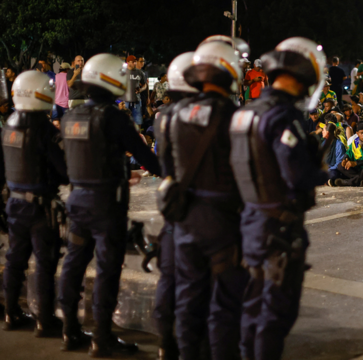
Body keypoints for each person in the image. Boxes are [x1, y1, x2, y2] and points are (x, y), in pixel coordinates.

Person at [229, 37, 328, 360]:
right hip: (278, 228)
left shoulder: (246, 112)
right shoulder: (283, 116)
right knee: (275, 314)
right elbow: (297, 175)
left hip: (249, 222)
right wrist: (319, 168)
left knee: (252, 306)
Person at [58, 53, 161, 356]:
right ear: (111, 80)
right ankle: (101, 337)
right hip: (106, 206)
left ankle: (69, 331)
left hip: (77, 202)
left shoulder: (70, 116)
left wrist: (119, 173)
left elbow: (82, 160)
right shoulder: (114, 117)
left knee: (74, 264)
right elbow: (145, 157)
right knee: (106, 269)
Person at [157, 41, 248, 360]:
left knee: (188, 300)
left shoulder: (173, 115)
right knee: (224, 307)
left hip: (184, 223)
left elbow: (167, 169)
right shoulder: (236, 117)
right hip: (222, 222)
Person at [1, 71, 68, 336]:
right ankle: (44, 320)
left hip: (14, 204)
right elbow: (63, 171)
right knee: (44, 262)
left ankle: (10, 313)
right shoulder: (43, 128)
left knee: (15, 260)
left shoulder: (9, 123)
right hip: (40, 207)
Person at [151, 51, 200, 360]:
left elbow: (162, 162)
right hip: (203, 209)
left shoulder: (162, 117)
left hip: (173, 206)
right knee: (198, 282)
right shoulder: (209, 114)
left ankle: (164, 344)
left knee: (168, 278)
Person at [329, 123, 363, 187]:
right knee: (340, 166)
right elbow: (349, 152)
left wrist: (356, 163)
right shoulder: (355, 142)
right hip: (358, 170)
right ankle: (361, 180)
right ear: (357, 133)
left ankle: (349, 182)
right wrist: (345, 159)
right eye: (361, 133)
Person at [124, 55, 145, 125]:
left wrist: (140, 89)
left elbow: (145, 85)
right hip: (125, 100)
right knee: (124, 121)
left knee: (138, 121)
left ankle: (138, 135)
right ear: (128, 62)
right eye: (133, 62)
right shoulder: (122, 72)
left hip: (137, 100)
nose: (134, 63)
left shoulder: (140, 72)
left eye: (135, 62)